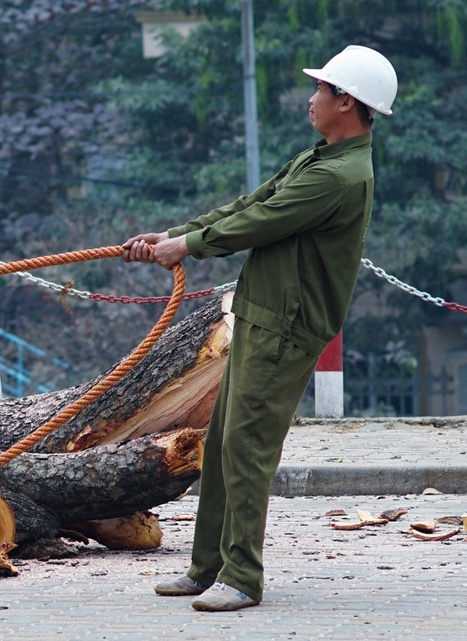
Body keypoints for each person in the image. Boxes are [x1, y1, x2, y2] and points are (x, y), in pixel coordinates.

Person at [122, 45, 397, 612]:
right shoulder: (318, 159)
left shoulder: (340, 176)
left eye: (321, 90)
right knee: (223, 441)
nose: (311, 98)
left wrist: (187, 246)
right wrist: (174, 235)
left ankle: (242, 576)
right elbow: (249, 202)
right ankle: (208, 568)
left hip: (288, 326)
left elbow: (262, 221)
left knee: (247, 446)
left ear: (346, 101)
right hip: (261, 314)